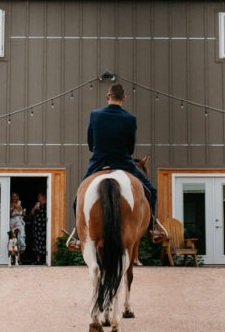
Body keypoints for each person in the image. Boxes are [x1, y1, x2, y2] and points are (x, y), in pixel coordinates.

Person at [68, 83, 161, 250]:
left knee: (77, 198)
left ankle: (78, 235)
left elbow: (91, 144)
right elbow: (130, 148)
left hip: (98, 162)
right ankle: (150, 229)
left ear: (108, 96)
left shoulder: (94, 115)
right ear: (124, 98)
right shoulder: (131, 119)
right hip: (123, 162)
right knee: (151, 191)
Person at [28, 190, 48, 264]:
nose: (38, 198)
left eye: (39, 196)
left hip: (43, 228)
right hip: (36, 227)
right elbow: (31, 214)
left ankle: (44, 260)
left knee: (43, 243)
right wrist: (34, 208)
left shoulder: (47, 205)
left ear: (43, 197)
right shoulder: (37, 205)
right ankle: (38, 260)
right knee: (36, 243)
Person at [9, 192, 26, 257]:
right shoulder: (9, 204)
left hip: (20, 223)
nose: (14, 198)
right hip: (13, 224)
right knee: (14, 240)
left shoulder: (20, 204)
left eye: (16, 196)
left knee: (21, 240)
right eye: (13, 196)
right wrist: (13, 208)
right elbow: (8, 214)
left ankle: (18, 257)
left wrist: (18, 207)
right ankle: (14, 258)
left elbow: (23, 214)